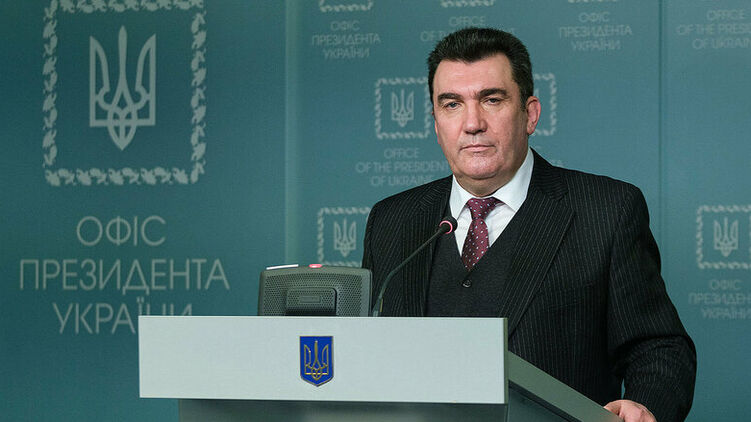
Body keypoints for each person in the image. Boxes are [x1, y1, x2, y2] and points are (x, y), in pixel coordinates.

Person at [362, 27, 696, 422]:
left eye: (491, 100)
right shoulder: (392, 220)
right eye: (452, 104)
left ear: (530, 114)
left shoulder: (606, 210)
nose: (472, 123)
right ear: (436, 123)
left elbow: (659, 348)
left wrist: (644, 405)